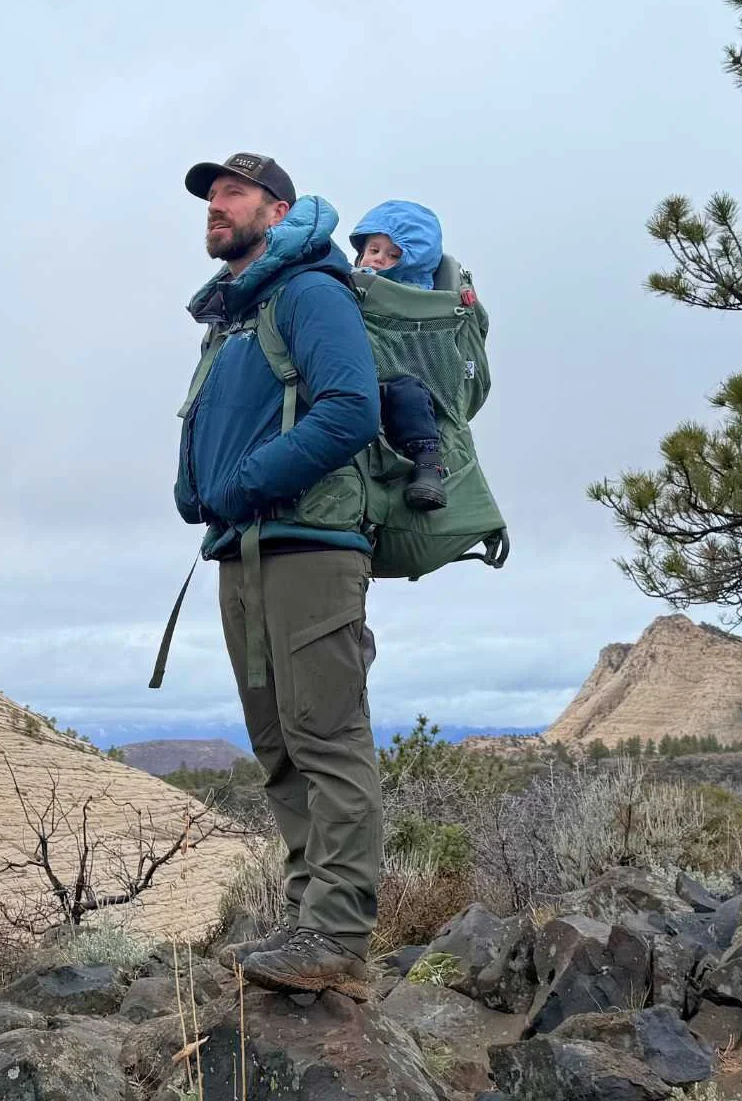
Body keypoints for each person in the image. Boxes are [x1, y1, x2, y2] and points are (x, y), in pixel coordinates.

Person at [176, 151, 383, 998]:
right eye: (209, 198)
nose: (214, 208)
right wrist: (206, 496)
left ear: (278, 208)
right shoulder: (232, 318)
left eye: (232, 193)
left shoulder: (309, 293)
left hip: (309, 546)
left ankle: (337, 934)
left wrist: (246, 481)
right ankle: (307, 923)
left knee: (327, 736)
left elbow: (350, 409)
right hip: (244, 551)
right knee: (278, 748)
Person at [348, 199, 451, 511]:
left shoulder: (422, 304)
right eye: (374, 250)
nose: (379, 259)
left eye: (394, 255)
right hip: (353, 382)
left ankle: (428, 463)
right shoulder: (345, 286)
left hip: (399, 384)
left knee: (409, 394)